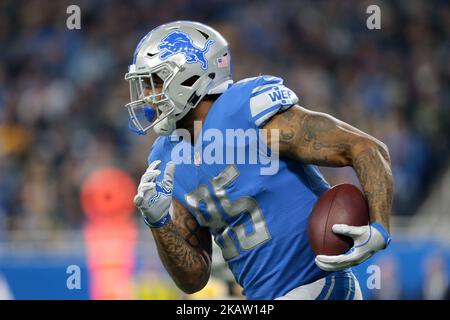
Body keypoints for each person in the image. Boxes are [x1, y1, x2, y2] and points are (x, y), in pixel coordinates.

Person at [124, 21, 393, 300]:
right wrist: (158, 223)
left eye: (154, 82)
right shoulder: (165, 157)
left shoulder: (246, 108)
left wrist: (380, 227)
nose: (146, 97)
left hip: (316, 284)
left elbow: (365, 148)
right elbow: (194, 279)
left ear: (190, 76)